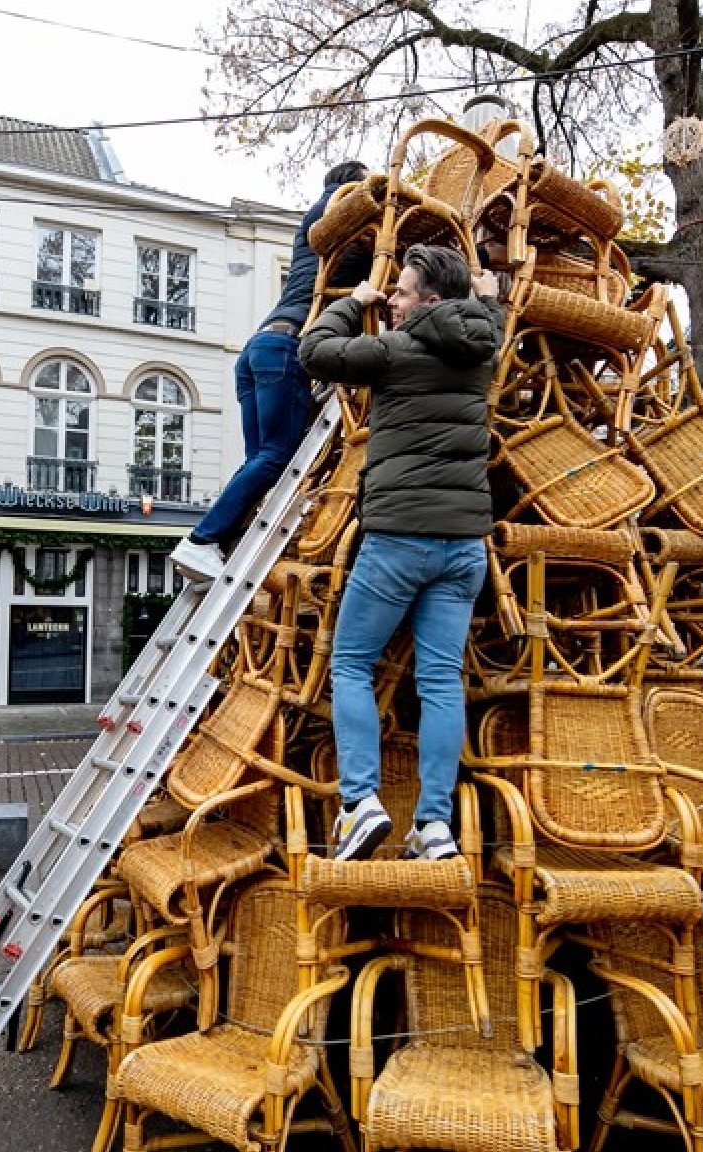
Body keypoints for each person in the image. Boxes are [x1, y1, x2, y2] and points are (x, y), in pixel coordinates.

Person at [300, 244, 503, 862]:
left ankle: (361, 805)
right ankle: (434, 826)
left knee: (351, 664)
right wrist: (488, 296)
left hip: (398, 541)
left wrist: (351, 302)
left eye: (402, 291)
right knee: (442, 682)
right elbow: (490, 317)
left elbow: (313, 351)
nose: (391, 298)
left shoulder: (396, 349)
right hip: (465, 547)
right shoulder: (482, 348)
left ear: (431, 301)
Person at [171, 159, 374, 582]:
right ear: (353, 187)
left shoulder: (312, 226)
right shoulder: (344, 214)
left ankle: (220, 542)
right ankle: (202, 539)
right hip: (286, 348)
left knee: (259, 460)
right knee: (276, 456)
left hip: (259, 347)